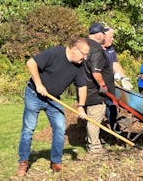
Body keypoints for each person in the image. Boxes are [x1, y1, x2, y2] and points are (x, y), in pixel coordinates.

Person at [17, 37, 90, 177]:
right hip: (34, 94)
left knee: (60, 128)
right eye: (84, 54)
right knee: (28, 129)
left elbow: (82, 86)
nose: (85, 58)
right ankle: (23, 162)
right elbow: (31, 63)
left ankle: (56, 161)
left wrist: (81, 106)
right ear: (75, 49)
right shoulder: (56, 52)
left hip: (53, 99)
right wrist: (39, 84)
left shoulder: (79, 66)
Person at [84, 22, 115, 154]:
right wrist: (103, 86)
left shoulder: (85, 45)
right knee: (95, 118)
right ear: (98, 35)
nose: (105, 37)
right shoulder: (96, 49)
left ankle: (91, 142)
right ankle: (94, 147)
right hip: (95, 91)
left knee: (92, 118)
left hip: (86, 89)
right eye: (104, 34)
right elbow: (96, 72)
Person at [102, 27, 132, 133]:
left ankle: (115, 132)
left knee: (112, 108)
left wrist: (123, 78)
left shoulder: (110, 49)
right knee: (101, 110)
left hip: (110, 86)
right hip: (98, 86)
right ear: (103, 36)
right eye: (111, 37)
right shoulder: (96, 50)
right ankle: (95, 137)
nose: (113, 39)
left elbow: (115, 64)